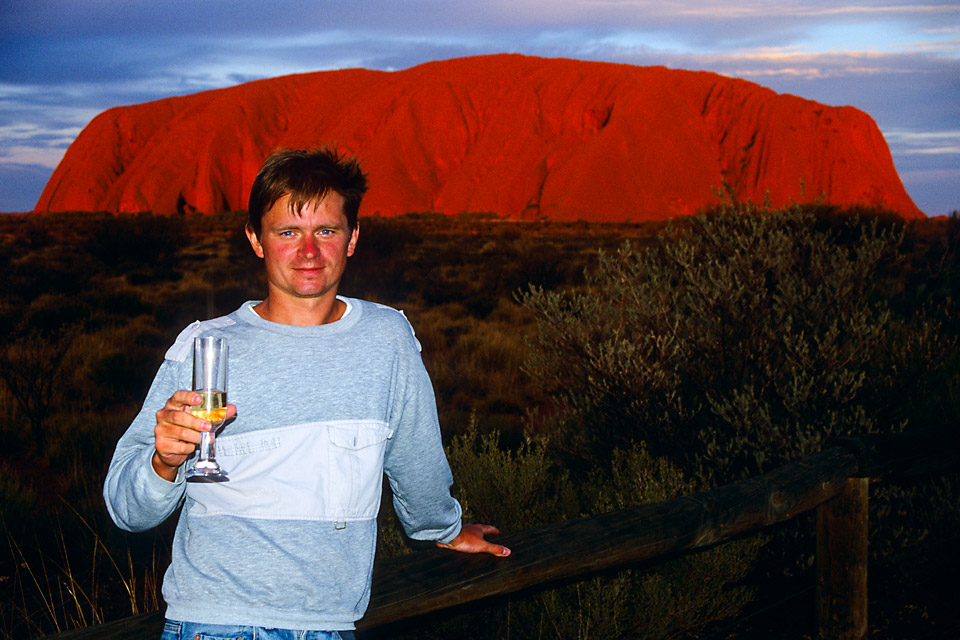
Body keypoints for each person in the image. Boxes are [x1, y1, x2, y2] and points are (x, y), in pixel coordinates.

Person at [103, 147, 510, 640]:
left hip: (331, 625)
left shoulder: (387, 339)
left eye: (327, 231)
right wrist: (163, 463)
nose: (309, 252)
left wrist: (442, 530)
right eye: (288, 232)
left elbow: (415, 460)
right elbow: (127, 510)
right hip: (215, 623)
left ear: (353, 238)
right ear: (256, 239)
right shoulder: (203, 347)